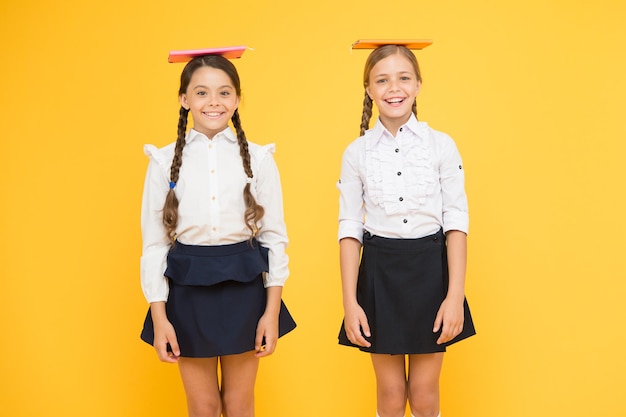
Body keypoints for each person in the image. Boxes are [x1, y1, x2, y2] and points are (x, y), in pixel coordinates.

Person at [139, 50, 296, 417]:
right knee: (204, 406)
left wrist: (270, 313)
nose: (214, 102)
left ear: (238, 99)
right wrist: (160, 319)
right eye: (202, 92)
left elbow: (274, 238)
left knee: (240, 405)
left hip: (244, 289)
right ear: (184, 99)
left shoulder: (258, 159)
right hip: (187, 292)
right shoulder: (163, 162)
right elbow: (154, 246)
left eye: (224, 92)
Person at [337, 43, 476, 417]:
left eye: (403, 78)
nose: (393, 88)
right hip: (380, 273)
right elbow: (350, 228)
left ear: (418, 85)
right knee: (391, 393)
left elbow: (456, 222)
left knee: (425, 393)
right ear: (368, 89)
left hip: (431, 272)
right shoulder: (356, 153)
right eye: (381, 80)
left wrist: (455, 295)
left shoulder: (441, 146)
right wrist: (350, 302)